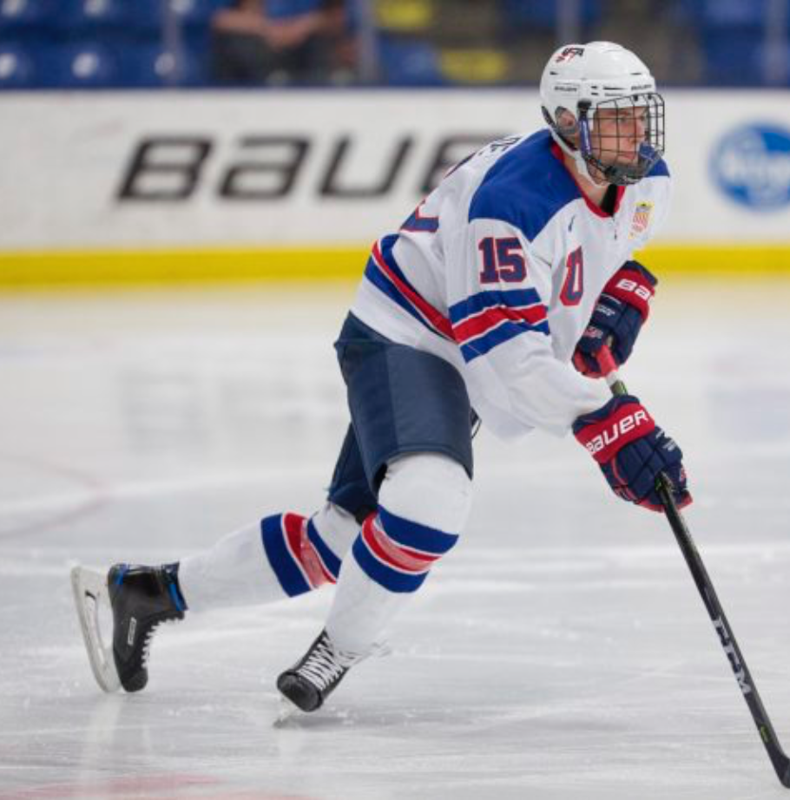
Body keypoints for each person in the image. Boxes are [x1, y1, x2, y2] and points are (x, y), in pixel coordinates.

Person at [71, 41, 692, 713]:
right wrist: (605, 421)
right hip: (408, 333)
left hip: (464, 343)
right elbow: (510, 360)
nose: (637, 135)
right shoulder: (511, 203)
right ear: (569, 123)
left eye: (641, 115)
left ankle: (147, 593)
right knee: (430, 500)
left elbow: (612, 247)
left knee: (345, 536)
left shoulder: (643, 177)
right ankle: (341, 646)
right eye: (616, 119)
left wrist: (622, 290)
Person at [210, 0, 354, 86]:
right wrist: (266, 28)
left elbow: (337, 15)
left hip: (305, 41)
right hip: (260, 42)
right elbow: (218, 17)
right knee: (239, 45)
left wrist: (302, 26)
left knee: (319, 47)